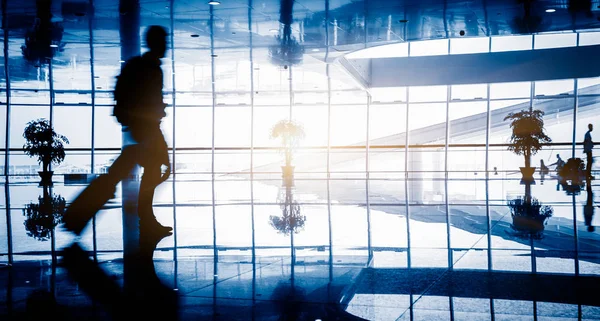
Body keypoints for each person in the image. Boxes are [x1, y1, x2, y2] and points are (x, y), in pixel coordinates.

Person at [63, 25, 172, 236]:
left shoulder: (141, 66)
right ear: (156, 43)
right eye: (164, 41)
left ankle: (80, 214)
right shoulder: (150, 68)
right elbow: (149, 101)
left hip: (141, 126)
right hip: (146, 126)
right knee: (146, 168)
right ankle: (145, 219)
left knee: (132, 167)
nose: (167, 46)